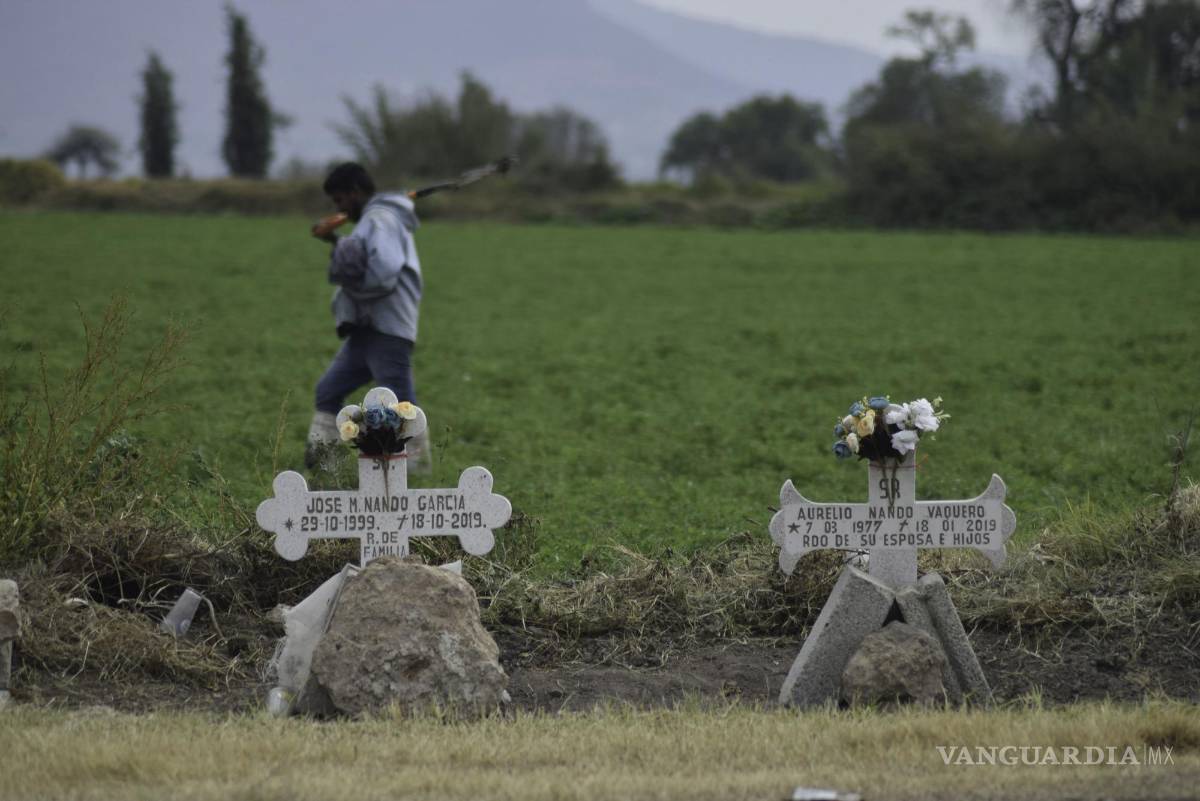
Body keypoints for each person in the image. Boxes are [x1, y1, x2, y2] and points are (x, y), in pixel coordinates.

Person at [305, 162, 431, 471]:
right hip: (366, 328)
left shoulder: (381, 218)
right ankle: (325, 466)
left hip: (386, 328)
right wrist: (336, 242)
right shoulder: (373, 221)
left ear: (356, 192)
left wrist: (355, 290)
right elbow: (365, 258)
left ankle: (414, 472)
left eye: (340, 200)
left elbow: (384, 270)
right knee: (328, 391)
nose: (339, 209)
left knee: (402, 405)